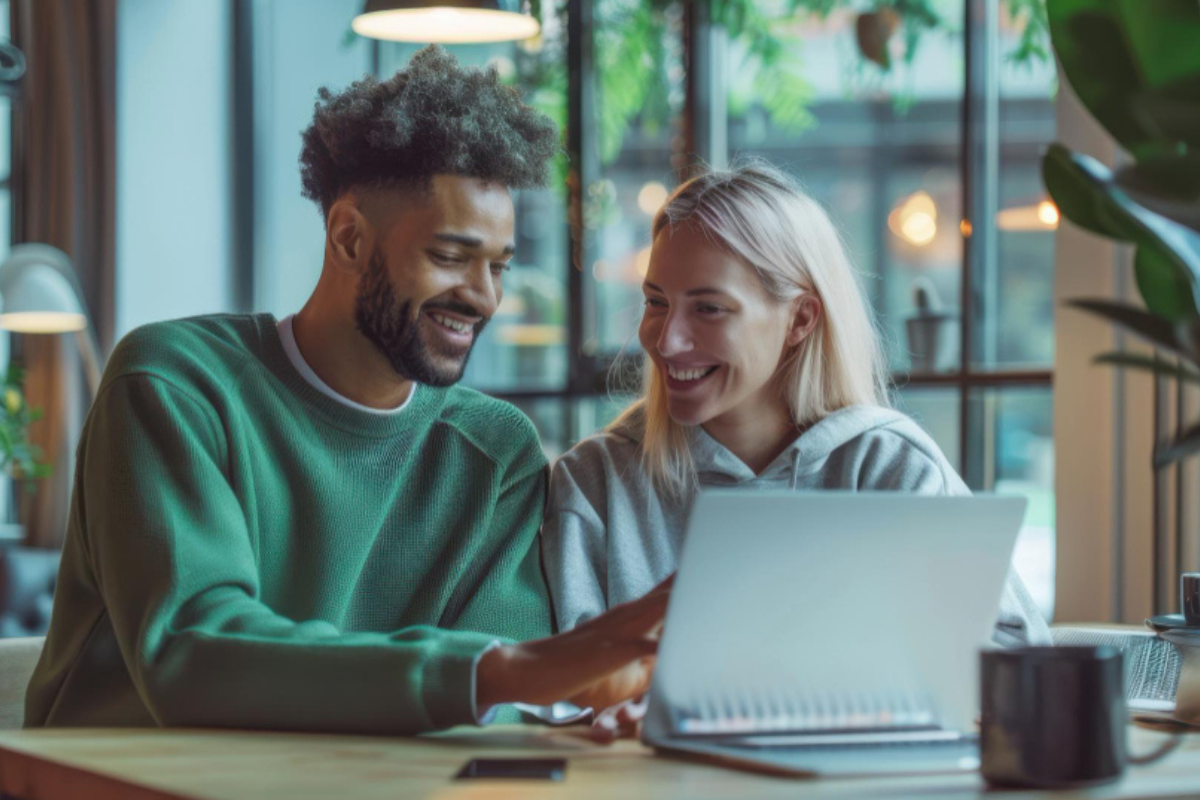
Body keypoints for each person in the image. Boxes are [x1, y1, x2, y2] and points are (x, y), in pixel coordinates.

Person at [25, 46, 666, 735]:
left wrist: (569, 716)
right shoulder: (176, 385)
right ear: (351, 240)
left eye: (499, 266)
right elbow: (191, 652)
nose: (483, 297)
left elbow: (493, 710)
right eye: (450, 257)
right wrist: (500, 673)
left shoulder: (494, 450)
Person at [541, 162, 1052, 736]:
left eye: (708, 308)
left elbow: (1022, 665)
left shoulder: (891, 468)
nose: (666, 339)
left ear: (800, 319)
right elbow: (555, 690)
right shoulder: (595, 481)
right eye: (656, 302)